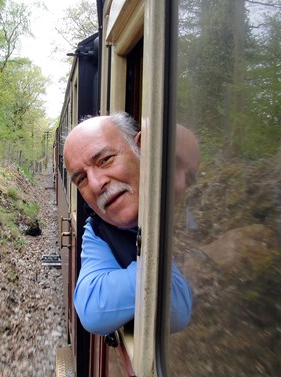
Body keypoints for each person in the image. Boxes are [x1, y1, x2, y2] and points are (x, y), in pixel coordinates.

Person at [63, 112, 197, 336]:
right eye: (82, 179)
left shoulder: (202, 213)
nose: (96, 184)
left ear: (143, 149)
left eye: (105, 160)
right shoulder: (99, 231)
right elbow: (92, 309)